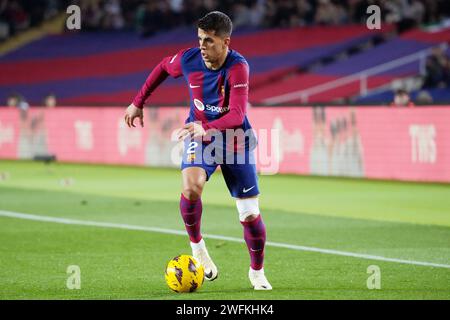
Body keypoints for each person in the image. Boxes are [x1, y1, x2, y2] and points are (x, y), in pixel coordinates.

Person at [124, 11, 272, 290]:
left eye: (210, 41)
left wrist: (210, 127)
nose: (202, 46)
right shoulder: (189, 58)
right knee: (191, 187)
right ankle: (198, 248)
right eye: (200, 39)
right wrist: (138, 102)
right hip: (199, 135)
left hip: (235, 141)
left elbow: (238, 114)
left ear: (226, 42)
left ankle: (256, 272)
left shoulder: (238, 67)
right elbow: (162, 68)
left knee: (249, 214)